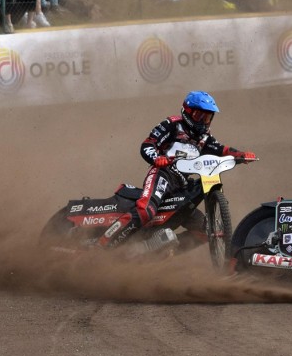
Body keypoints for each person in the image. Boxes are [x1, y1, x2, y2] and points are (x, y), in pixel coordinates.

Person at [97, 91, 256, 252]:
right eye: (200, 115)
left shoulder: (205, 137)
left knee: (205, 231)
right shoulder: (172, 124)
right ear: (187, 111)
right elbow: (148, 144)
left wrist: (241, 155)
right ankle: (101, 245)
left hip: (182, 185)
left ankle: (154, 251)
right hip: (162, 174)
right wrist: (157, 158)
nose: (203, 121)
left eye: (207, 117)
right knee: (146, 210)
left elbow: (222, 149)